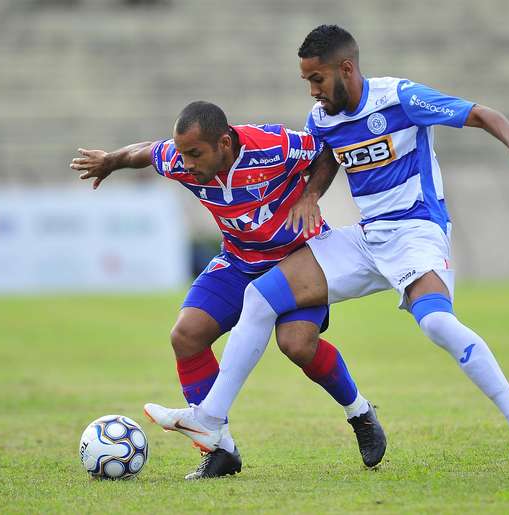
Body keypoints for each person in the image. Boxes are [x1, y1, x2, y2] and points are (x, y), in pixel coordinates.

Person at [144, 24, 509, 464]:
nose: (312, 91)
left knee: (437, 324)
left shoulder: (399, 98)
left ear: (346, 69)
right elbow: (325, 159)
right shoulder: (322, 119)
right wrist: (309, 195)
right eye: (306, 81)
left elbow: (478, 112)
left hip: (416, 233)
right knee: (259, 297)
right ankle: (211, 418)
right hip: (366, 237)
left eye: (316, 79)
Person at [70, 100, 386, 479]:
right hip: (239, 262)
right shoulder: (180, 159)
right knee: (186, 336)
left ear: (224, 143)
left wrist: (310, 195)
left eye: (194, 154)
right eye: (182, 153)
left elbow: (326, 151)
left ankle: (360, 413)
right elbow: (144, 152)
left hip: (299, 259)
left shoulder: (272, 145)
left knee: (297, 344)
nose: (185, 163)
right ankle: (220, 448)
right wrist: (110, 161)